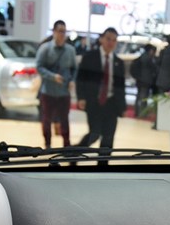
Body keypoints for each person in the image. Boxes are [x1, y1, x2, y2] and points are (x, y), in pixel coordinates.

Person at [76, 27, 126, 157]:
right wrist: (81, 97)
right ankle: (74, 153)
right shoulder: (89, 57)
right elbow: (80, 79)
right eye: (108, 39)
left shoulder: (118, 62)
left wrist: (122, 107)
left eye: (114, 40)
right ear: (101, 39)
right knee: (95, 134)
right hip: (94, 102)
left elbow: (120, 86)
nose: (111, 42)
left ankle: (103, 165)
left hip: (111, 104)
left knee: (108, 139)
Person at [36, 20, 77, 149]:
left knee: (65, 119)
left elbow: (74, 68)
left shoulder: (70, 50)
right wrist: (52, 77)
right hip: (48, 91)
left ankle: (66, 145)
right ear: (54, 32)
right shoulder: (45, 48)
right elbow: (39, 67)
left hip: (64, 92)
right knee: (46, 119)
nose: (62, 34)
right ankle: (47, 144)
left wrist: (72, 80)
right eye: (60, 31)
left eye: (64, 31)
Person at [130, 44, 157, 117]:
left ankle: (137, 112)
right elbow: (153, 68)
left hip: (140, 80)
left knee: (139, 96)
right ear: (150, 50)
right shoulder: (148, 58)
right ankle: (141, 113)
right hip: (145, 81)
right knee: (143, 97)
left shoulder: (141, 57)